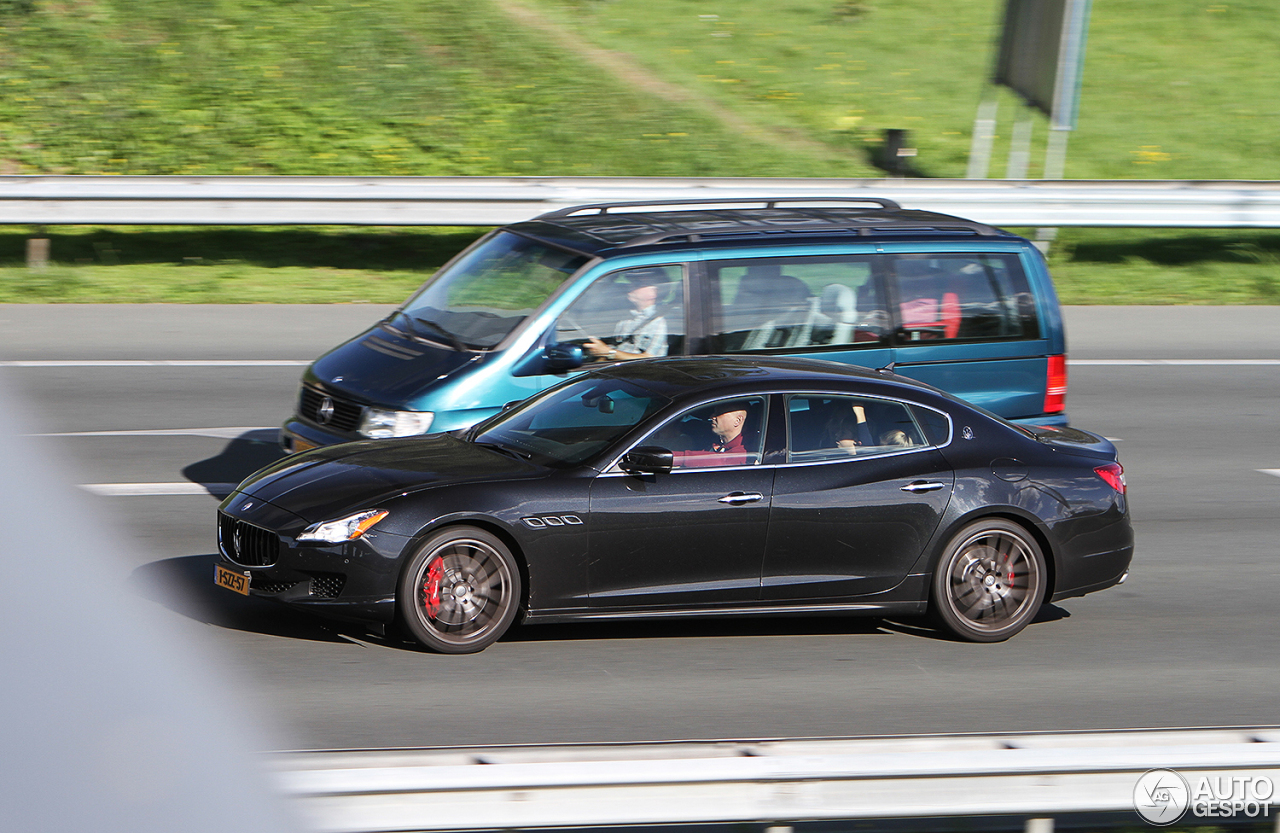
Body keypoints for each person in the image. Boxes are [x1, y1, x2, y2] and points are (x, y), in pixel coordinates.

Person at [585, 270, 669, 362]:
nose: (629, 286)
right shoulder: (627, 317)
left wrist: (608, 352)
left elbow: (651, 359)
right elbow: (616, 347)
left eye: (637, 284)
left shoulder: (659, 321)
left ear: (653, 293)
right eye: (631, 283)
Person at [672, 402, 751, 468]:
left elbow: (721, 460)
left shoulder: (746, 450)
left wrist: (674, 458)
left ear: (737, 420)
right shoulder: (716, 442)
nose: (711, 417)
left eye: (719, 413)